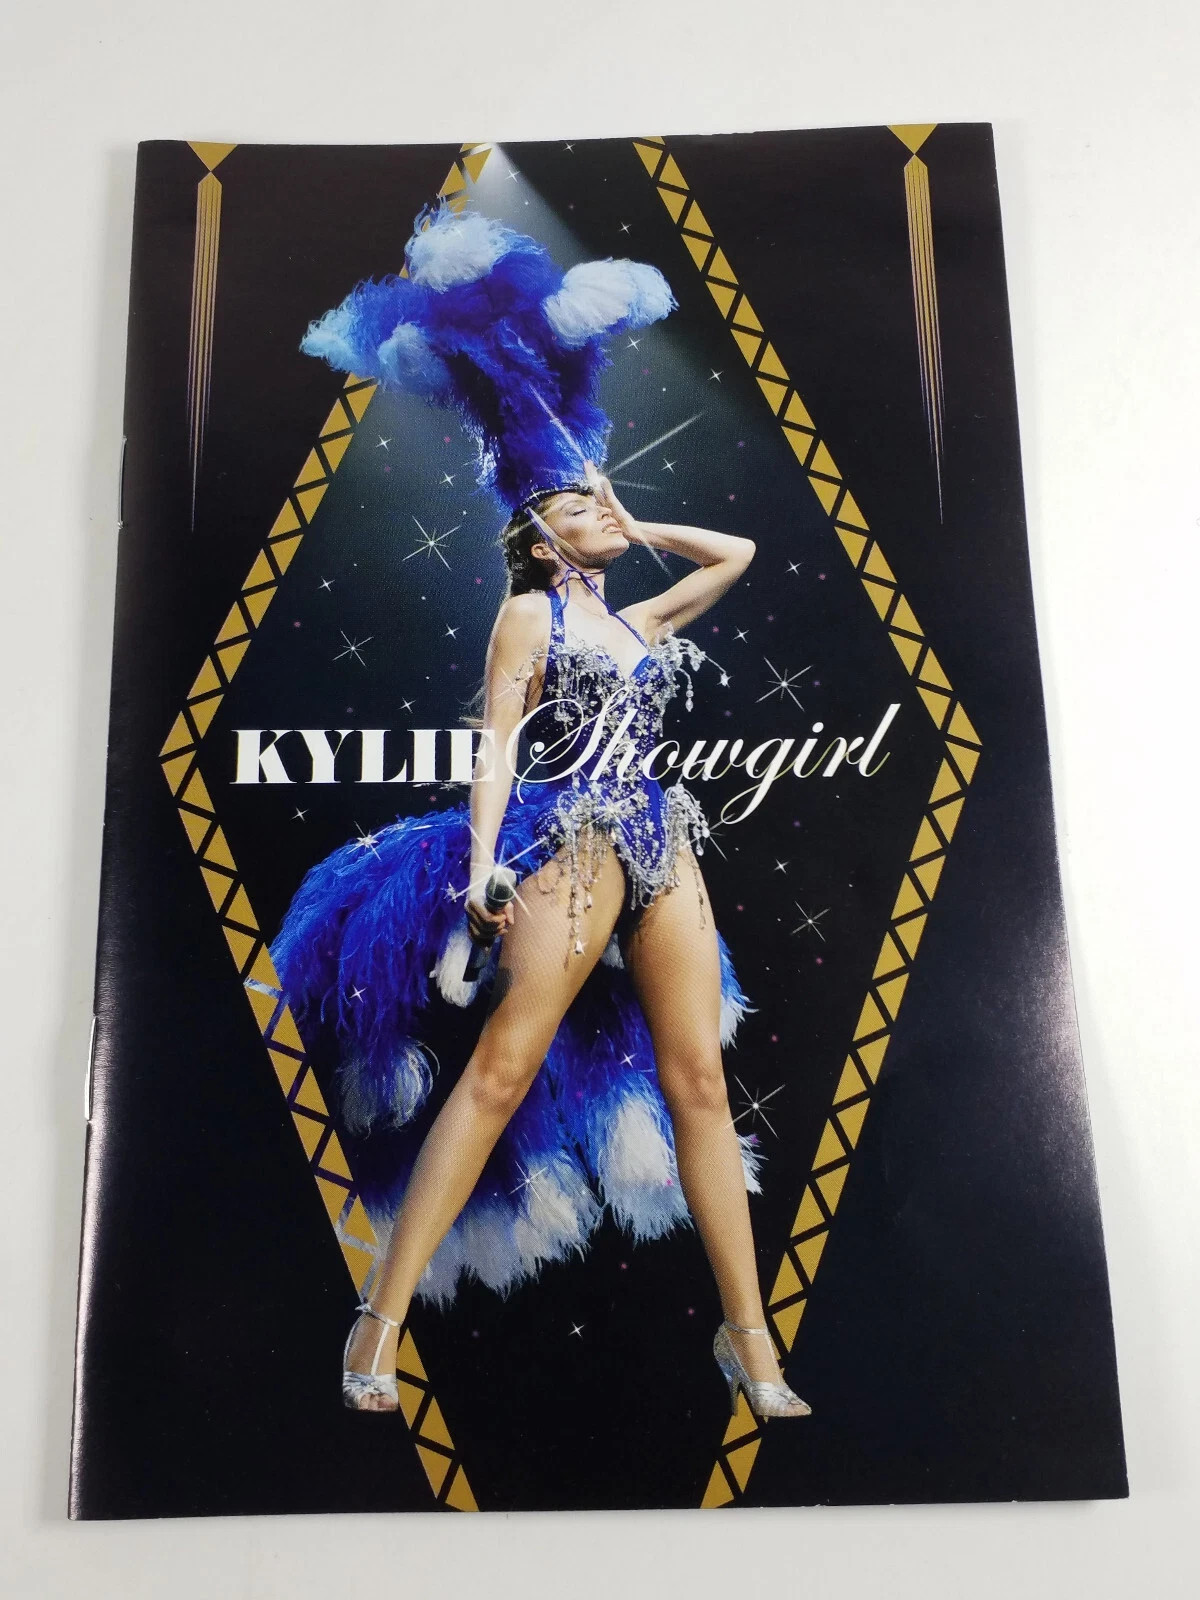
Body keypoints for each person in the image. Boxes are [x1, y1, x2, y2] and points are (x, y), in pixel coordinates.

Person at [269, 203, 811, 1423]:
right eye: (577, 506)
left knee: (700, 1083)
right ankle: (379, 1317)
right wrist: (479, 865)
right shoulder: (531, 615)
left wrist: (632, 517)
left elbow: (733, 554)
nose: (599, 512)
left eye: (597, 500)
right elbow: (497, 749)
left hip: (662, 841)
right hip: (568, 842)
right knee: (504, 1068)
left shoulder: (639, 618)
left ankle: (749, 1341)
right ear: (535, 532)